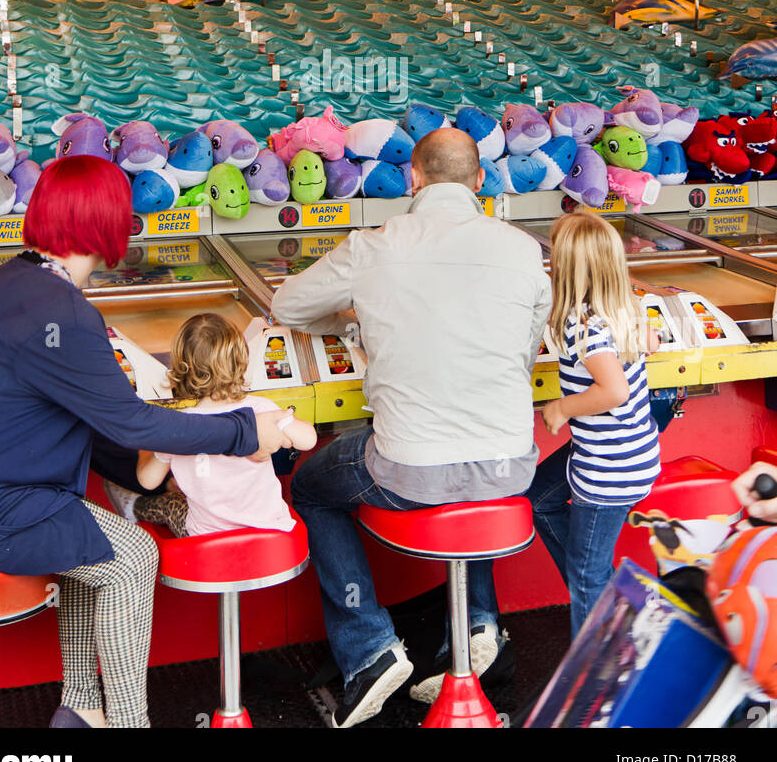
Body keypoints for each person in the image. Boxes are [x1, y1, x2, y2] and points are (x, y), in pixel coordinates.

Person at [0, 156, 292, 730]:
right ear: (108, 222)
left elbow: (80, 420)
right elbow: (132, 424)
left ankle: (81, 707)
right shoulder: (60, 311)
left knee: (88, 531)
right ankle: (127, 723)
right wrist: (243, 432)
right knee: (132, 560)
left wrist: (154, 470)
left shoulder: (14, 283)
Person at [271, 127, 551, 729]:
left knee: (313, 488)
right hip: (511, 463)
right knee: (475, 473)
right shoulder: (522, 248)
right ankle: (476, 626)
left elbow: (287, 307)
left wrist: (355, 315)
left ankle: (370, 647)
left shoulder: (376, 244)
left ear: (413, 179)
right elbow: (523, 354)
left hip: (407, 467)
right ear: (481, 182)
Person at [527, 210, 661, 637]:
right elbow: (651, 342)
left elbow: (614, 391)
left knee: (585, 576)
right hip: (630, 451)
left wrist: (561, 408)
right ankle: (613, 597)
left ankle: (596, 675)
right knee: (538, 498)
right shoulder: (625, 306)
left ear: (566, 268)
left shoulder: (582, 326)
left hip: (607, 470)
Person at [118, 312, 316, 536]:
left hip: (207, 535)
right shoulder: (261, 408)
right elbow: (309, 440)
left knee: (168, 502)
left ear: (181, 368)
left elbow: (147, 480)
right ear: (241, 359)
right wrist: (285, 418)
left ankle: (132, 507)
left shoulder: (179, 424)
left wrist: (152, 446)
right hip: (268, 529)